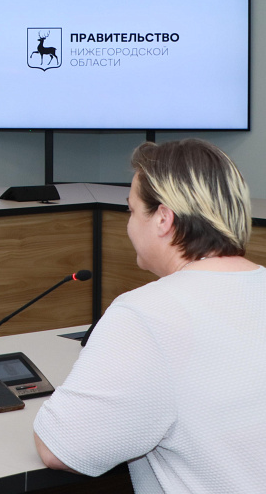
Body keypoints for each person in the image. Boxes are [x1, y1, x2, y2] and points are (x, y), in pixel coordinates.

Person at [33, 139, 266, 492]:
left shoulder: (148, 312)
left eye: (131, 210)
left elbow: (60, 449)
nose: (128, 225)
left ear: (162, 219)